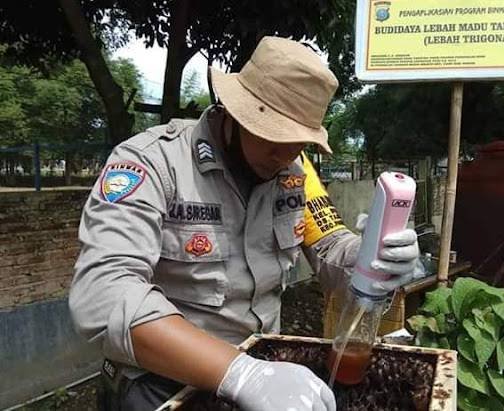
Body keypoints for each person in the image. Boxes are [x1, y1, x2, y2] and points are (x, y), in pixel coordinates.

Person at [69, 36, 420, 411]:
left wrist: (371, 257)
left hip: (263, 380)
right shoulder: (153, 163)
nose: (286, 153)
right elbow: (103, 295)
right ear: (235, 112)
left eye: (300, 141)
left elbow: (329, 245)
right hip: (162, 384)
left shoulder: (294, 172)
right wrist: (240, 373)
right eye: (275, 134)